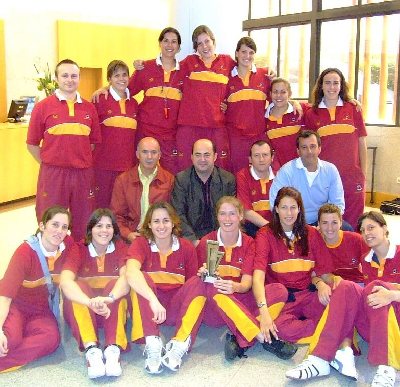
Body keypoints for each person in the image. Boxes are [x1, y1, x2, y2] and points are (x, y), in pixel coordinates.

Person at [160, 196, 295, 372]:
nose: (227, 219)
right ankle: (261, 336)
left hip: (239, 300)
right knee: (206, 282)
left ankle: (238, 334)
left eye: (232, 214)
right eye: (223, 214)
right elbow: (194, 287)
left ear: (240, 216)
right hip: (213, 310)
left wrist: (235, 287)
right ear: (217, 217)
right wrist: (203, 274)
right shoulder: (206, 242)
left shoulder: (249, 243)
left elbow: (247, 284)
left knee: (279, 290)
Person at [253, 187, 361, 383]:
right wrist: (264, 313)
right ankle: (329, 337)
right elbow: (258, 277)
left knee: (339, 303)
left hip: (309, 293)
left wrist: (322, 284)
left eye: (293, 207)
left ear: (300, 209)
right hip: (285, 297)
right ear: (276, 209)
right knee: (279, 329)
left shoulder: (311, 233)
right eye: (284, 207)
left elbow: (324, 271)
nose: (289, 213)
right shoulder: (265, 234)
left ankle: (337, 353)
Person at [27, 59, 101, 241]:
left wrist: (76, 158)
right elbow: (32, 144)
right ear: (56, 78)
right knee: (51, 217)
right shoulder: (42, 107)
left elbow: (92, 143)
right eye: (65, 75)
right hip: (53, 174)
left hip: (82, 173)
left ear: (79, 78)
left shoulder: (89, 108)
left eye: (74, 76)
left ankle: (80, 258)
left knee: (84, 218)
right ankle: (50, 258)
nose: (70, 80)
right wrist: (49, 161)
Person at [123, 202, 198, 374]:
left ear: (173, 223)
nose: (161, 226)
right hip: (149, 310)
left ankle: (180, 342)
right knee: (140, 276)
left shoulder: (186, 247)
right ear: (149, 224)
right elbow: (131, 271)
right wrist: (153, 300)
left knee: (199, 282)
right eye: (156, 221)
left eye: (166, 220)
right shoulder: (141, 244)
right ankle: (152, 343)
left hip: (174, 310)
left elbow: (192, 285)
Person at [0, 206, 73, 372]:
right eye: (55, 225)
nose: (59, 231)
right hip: (15, 306)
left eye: (64, 227)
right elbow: (5, 296)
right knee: (9, 340)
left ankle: (5, 357)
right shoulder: (25, 252)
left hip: (40, 310)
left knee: (52, 339)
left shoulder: (67, 246)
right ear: (42, 226)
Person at [60, 209, 130, 379]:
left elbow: (127, 280)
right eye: (99, 226)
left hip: (110, 310)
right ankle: (92, 351)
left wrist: (109, 298)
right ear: (90, 229)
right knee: (78, 286)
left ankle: (113, 350)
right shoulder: (78, 248)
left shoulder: (120, 247)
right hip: (85, 312)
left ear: (114, 230)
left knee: (117, 285)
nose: (104, 230)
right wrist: (90, 302)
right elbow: (65, 281)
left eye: (109, 226)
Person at [305, 67, 367, 229]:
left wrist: (363, 173)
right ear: (321, 86)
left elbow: (361, 142)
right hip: (325, 178)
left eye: (336, 83)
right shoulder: (312, 114)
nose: (332, 87)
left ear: (341, 86)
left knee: (353, 222)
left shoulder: (354, 109)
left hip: (352, 176)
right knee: (329, 222)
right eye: (328, 83)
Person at [175, 25, 236, 171]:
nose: (204, 46)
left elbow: (245, 71)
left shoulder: (227, 62)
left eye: (207, 41)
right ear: (196, 47)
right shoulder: (188, 62)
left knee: (220, 168)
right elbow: (167, 66)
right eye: (199, 43)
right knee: (187, 168)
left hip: (216, 125)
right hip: (190, 125)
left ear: (213, 42)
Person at [128, 27, 184, 174]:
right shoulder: (145, 67)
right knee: (142, 173)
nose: (169, 45)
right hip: (146, 131)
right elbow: (126, 91)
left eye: (174, 42)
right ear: (159, 43)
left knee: (169, 176)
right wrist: (105, 89)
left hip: (170, 135)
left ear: (179, 47)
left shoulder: (184, 72)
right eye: (165, 41)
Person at [355, 211, 400, 387]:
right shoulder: (364, 262)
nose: (367, 233)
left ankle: (387, 366)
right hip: (377, 325)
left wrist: (393, 294)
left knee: (379, 287)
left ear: (385, 229)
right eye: (363, 230)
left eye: (371, 227)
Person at [269, 130, 347, 228]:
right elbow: (274, 203)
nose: (309, 151)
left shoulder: (331, 170)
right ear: (298, 151)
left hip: (323, 222)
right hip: (294, 222)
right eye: (304, 147)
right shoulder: (286, 171)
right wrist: (294, 225)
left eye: (312, 146)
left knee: (348, 231)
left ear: (319, 149)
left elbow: (338, 205)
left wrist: (322, 226)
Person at [171, 139, 236, 246]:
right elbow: (178, 214)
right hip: (190, 239)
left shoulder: (228, 180)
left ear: (215, 156)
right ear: (191, 157)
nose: (202, 159)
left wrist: (218, 240)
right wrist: (192, 240)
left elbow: (231, 214)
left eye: (207, 155)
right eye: (198, 155)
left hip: (221, 238)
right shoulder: (181, 180)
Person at [93, 60, 138, 208]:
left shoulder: (134, 104)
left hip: (127, 167)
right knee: (102, 206)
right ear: (109, 79)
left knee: (121, 207)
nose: (121, 79)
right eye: (116, 75)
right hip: (103, 167)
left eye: (124, 75)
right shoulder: (99, 99)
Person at [110, 137, 174, 243]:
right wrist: (127, 234)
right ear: (137, 154)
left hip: (160, 237)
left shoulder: (170, 180)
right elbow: (116, 215)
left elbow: (174, 215)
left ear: (159, 155)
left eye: (154, 152)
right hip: (131, 238)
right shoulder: (123, 180)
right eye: (145, 152)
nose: (149, 157)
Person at [224, 37, 272, 173]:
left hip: (258, 136)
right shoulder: (227, 77)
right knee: (238, 174)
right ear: (237, 53)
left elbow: (278, 98)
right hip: (236, 139)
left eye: (251, 53)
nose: (247, 56)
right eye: (244, 52)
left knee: (260, 174)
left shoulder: (265, 75)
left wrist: (293, 103)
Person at [318, 203, 368, 283]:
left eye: (334, 223)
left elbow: (372, 267)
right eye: (325, 223)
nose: (329, 228)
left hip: (358, 283)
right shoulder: (315, 244)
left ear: (341, 223)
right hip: (332, 284)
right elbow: (319, 274)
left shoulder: (356, 240)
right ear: (318, 224)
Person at [265, 78, 307, 169]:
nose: (279, 95)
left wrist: (294, 102)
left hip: (301, 168)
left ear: (290, 94)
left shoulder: (300, 110)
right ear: (270, 94)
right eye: (275, 92)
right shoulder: (264, 117)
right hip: (278, 171)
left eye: (283, 92)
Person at [236, 140, 275, 237]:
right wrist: (270, 228)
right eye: (256, 155)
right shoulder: (242, 176)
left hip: (275, 225)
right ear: (250, 159)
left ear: (272, 157)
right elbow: (246, 212)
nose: (261, 159)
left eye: (265, 155)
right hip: (251, 228)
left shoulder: (280, 175)